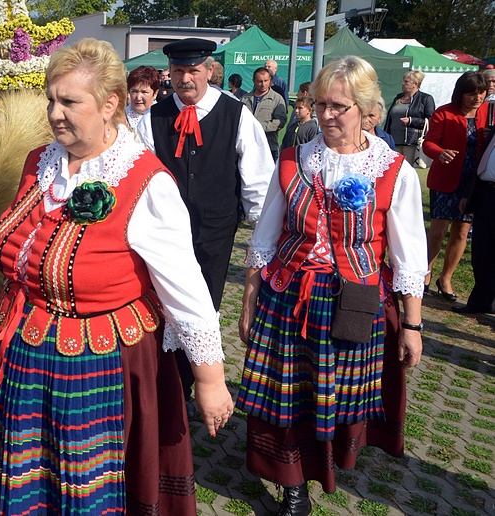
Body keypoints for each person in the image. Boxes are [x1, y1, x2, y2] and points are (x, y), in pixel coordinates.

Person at [0, 38, 232, 515]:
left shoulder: (145, 182)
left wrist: (210, 379)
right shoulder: (40, 162)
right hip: (27, 348)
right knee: (34, 479)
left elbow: (185, 287)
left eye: (69, 102)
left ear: (110, 105)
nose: (54, 113)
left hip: (96, 361)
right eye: (51, 100)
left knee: (86, 485)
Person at [237, 56, 426, 515]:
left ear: (367, 110)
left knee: (332, 396)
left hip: (354, 301)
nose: (326, 115)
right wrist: (248, 303)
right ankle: (292, 483)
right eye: (321, 104)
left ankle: (327, 464)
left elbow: (408, 257)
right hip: (289, 296)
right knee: (286, 395)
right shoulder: (293, 160)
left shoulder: (393, 170)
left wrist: (412, 326)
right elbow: (264, 238)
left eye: (339, 106)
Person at [137, 38, 273, 418]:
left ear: (209, 71)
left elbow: (259, 180)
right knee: (161, 311)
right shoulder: (153, 118)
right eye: (178, 71)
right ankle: (167, 391)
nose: (186, 79)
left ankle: (195, 385)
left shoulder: (236, 115)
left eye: (193, 71)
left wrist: (261, 234)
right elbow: (139, 179)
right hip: (164, 239)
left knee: (203, 311)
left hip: (215, 233)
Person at [421, 71, 488, 302]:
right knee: (438, 232)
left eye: (481, 93)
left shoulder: (487, 113)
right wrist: (440, 153)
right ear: (461, 94)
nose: (477, 98)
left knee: (461, 232)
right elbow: (428, 143)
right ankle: (425, 273)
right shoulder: (444, 113)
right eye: (472, 94)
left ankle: (446, 279)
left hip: (473, 182)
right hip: (445, 179)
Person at [458, 120, 495, 314]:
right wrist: (468, 194)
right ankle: (481, 301)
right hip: (486, 194)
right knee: (482, 251)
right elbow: (482, 163)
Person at [383, 70, 435, 168]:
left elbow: (431, 121)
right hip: (393, 141)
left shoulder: (425, 98)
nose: (403, 83)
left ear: (416, 84)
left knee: (406, 169)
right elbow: (390, 120)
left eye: (406, 81)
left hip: (411, 143)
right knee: (393, 169)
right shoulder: (398, 98)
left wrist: (411, 121)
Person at [241, 66, 288, 162]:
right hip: (247, 146)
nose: (263, 84)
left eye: (266, 81)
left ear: (270, 80)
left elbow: (280, 122)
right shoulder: (245, 99)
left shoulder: (277, 99)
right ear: (254, 81)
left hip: (268, 146)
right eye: (260, 81)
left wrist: (258, 127)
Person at [125, 65, 160, 130]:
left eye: (144, 92)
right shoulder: (119, 118)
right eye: (134, 91)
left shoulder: (164, 118)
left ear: (155, 93)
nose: (138, 98)